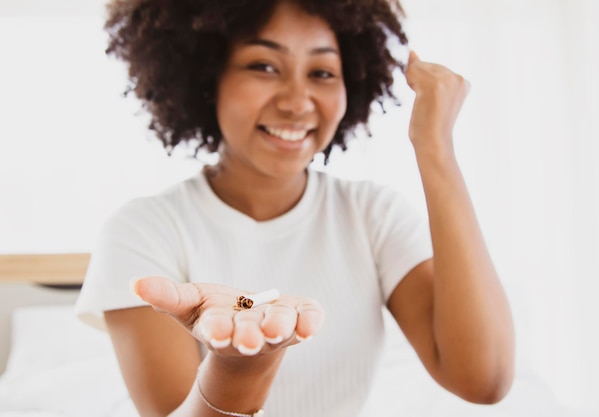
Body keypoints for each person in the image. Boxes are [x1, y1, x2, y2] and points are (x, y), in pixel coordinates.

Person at [75, 0, 515, 416]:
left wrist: (434, 147)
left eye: (322, 72)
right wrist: (240, 366)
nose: (297, 101)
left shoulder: (372, 215)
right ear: (208, 77)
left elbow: (484, 378)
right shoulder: (143, 230)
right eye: (264, 66)